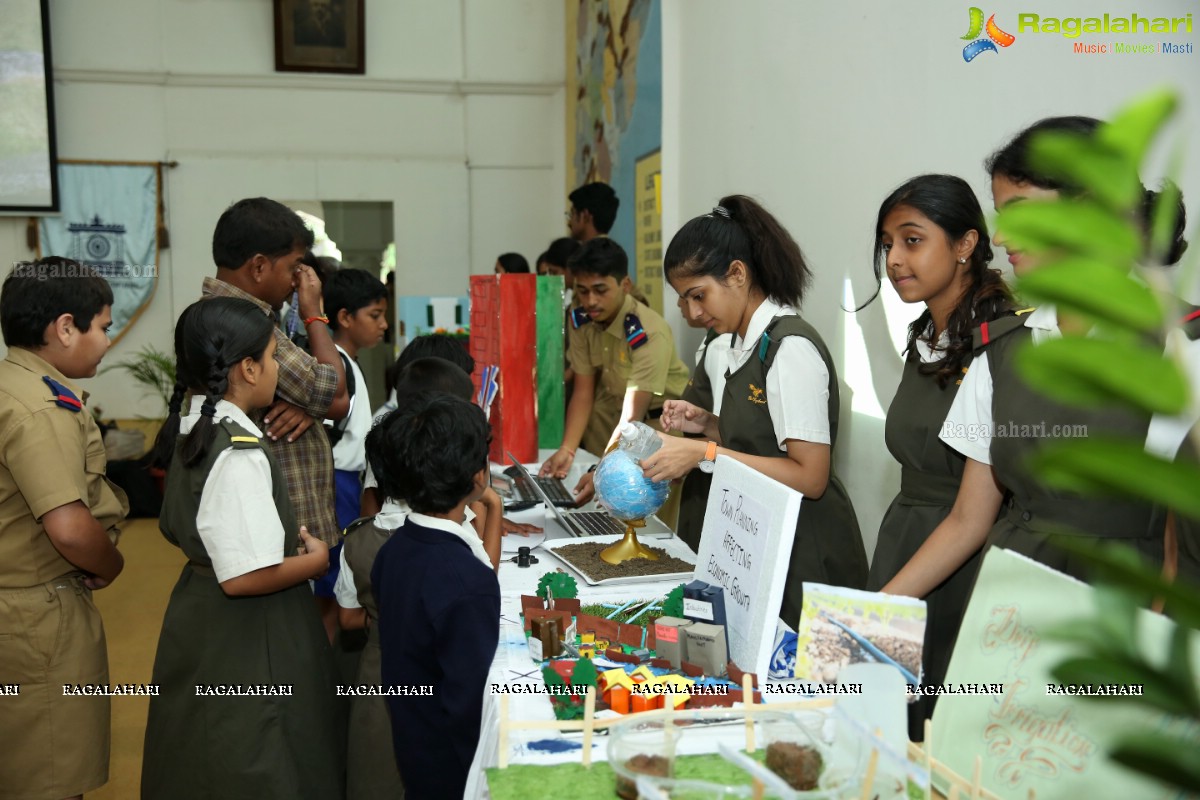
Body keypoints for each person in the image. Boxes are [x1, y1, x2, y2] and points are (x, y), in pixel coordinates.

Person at [883, 116, 1190, 598]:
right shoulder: (1003, 347)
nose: (1001, 239)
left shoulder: (1178, 345)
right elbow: (967, 520)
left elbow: (1183, 542)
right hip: (1007, 613)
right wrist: (871, 608)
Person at [141, 297, 342, 798]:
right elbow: (243, 578)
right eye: (274, 358)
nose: (276, 369)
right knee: (260, 754)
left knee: (204, 749)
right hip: (252, 635)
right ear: (249, 369)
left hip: (201, 616)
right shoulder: (239, 453)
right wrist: (314, 560)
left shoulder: (195, 429)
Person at [639, 196, 869, 628]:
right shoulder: (739, 343)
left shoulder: (790, 348)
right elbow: (762, 447)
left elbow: (810, 476)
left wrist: (705, 453)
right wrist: (710, 426)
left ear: (738, 274)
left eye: (698, 295)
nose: (691, 313)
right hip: (759, 538)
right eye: (682, 300)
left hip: (805, 551)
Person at [860, 175, 1014, 735]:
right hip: (905, 543)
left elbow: (975, 512)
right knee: (882, 729)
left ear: (966, 245)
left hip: (961, 561)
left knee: (940, 734)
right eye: (887, 244)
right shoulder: (926, 336)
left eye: (912, 240)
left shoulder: (1002, 345)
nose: (894, 259)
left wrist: (877, 608)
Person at [335, 357, 501, 800]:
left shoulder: (393, 551)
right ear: (478, 477)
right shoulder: (468, 581)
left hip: (413, 740)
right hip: (452, 766)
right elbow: (470, 699)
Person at [0, 258, 128, 800]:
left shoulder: (13, 385)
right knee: (48, 776)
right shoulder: (40, 408)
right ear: (66, 327)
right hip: (37, 617)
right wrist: (111, 564)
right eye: (103, 325)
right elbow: (72, 529)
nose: (107, 339)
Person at [202, 197, 350, 640]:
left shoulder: (229, 313)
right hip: (279, 526)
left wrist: (307, 403)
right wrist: (314, 313)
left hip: (277, 519)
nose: (297, 282)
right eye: (293, 269)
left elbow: (323, 398)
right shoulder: (247, 323)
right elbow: (333, 388)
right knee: (285, 640)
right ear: (260, 266)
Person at [539, 237, 690, 484]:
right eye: (582, 291)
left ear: (625, 284)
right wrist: (567, 450)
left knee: (644, 518)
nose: (590, 301)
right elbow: (583, 392)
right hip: (611, 420)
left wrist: (601, 470)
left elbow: (633, 415)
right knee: (602, 511)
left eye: (600, 290)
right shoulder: (582, 319)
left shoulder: (650, 331)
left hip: (655, 428)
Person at [322, 268, 388, 532]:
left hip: (347, 479)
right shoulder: (336, 365)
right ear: (345, 317)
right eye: (375, 315)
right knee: (335, 555)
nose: (383, 324)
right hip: (334, 480)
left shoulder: (347, 361)